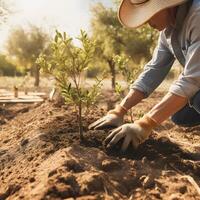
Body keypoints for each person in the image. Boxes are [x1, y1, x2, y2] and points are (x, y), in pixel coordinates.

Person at [89, 0, 200, 152]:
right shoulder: (167, 32)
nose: (147, 21)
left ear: (167, 5)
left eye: (149, 13)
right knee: (180, 115)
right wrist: (119, 111)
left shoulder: (197, 15)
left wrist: (145, 124)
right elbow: (153, 70)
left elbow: (192, 80)